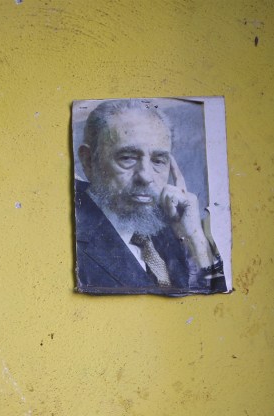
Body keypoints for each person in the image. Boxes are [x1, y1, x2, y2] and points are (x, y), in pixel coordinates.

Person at [74, 99, 226, 295]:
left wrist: (194, 237)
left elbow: (214, 299)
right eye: (127, 158)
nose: (146, 176)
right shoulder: (71, 238)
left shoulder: (170, 223)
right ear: (88, 161)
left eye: (158, 160)